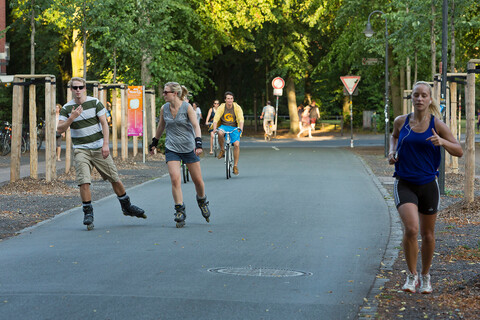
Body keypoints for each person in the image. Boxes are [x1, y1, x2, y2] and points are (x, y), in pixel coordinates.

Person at [388, 81, 463, 294]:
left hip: (429, 184)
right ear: (411, 98)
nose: (419, 99)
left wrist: (442, 142)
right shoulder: (401, 121)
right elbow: (394, 138)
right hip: (404, 182)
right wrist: (392, 152)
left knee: (428, 234)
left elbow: (459, 151)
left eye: (423, 95)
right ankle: (411, 276)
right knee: (412, 229)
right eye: (416, 95)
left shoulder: (437, 124)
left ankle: (426, 275)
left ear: (430, 99)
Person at [57, 77, 146, 230]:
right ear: (71, 89)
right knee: (83, 181)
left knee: (114, 178)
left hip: (99, 147)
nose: (78, 90)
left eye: (80, 87)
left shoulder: (95, 102)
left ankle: (127, 206)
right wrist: (72, 118)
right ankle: (88, 213)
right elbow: (59, 129)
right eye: (75, 88)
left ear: (85, 88)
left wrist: (106, 144)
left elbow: (104, 123)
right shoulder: (66, 108)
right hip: (81, 150)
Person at [148, 82, 211, 228]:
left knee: (198, 181)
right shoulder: (164, 108)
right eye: (164, 92)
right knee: (175, 179)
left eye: (166, 92)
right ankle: (179, 210)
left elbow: (196, 125)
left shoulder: (187, 107)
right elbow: (161, 126)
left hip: (189, 147)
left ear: (174, 93)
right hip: (172, 147)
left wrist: (199, 143)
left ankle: (202, 200)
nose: (163, 94)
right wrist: (154, 143)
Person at [212, 91, 244, 175]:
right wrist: (215, 128)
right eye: (228, 99)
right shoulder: (221, 107)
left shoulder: (237, 107)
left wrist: (241, 128)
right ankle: (222, 150)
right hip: (224, 126)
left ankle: (235, 166)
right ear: (225, 100)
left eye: (231, 99)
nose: (230, 100)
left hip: (234, 127)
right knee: (220, 133)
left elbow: (241, 119)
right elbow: (216, 118)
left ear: (233, 99)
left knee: (236, 145)